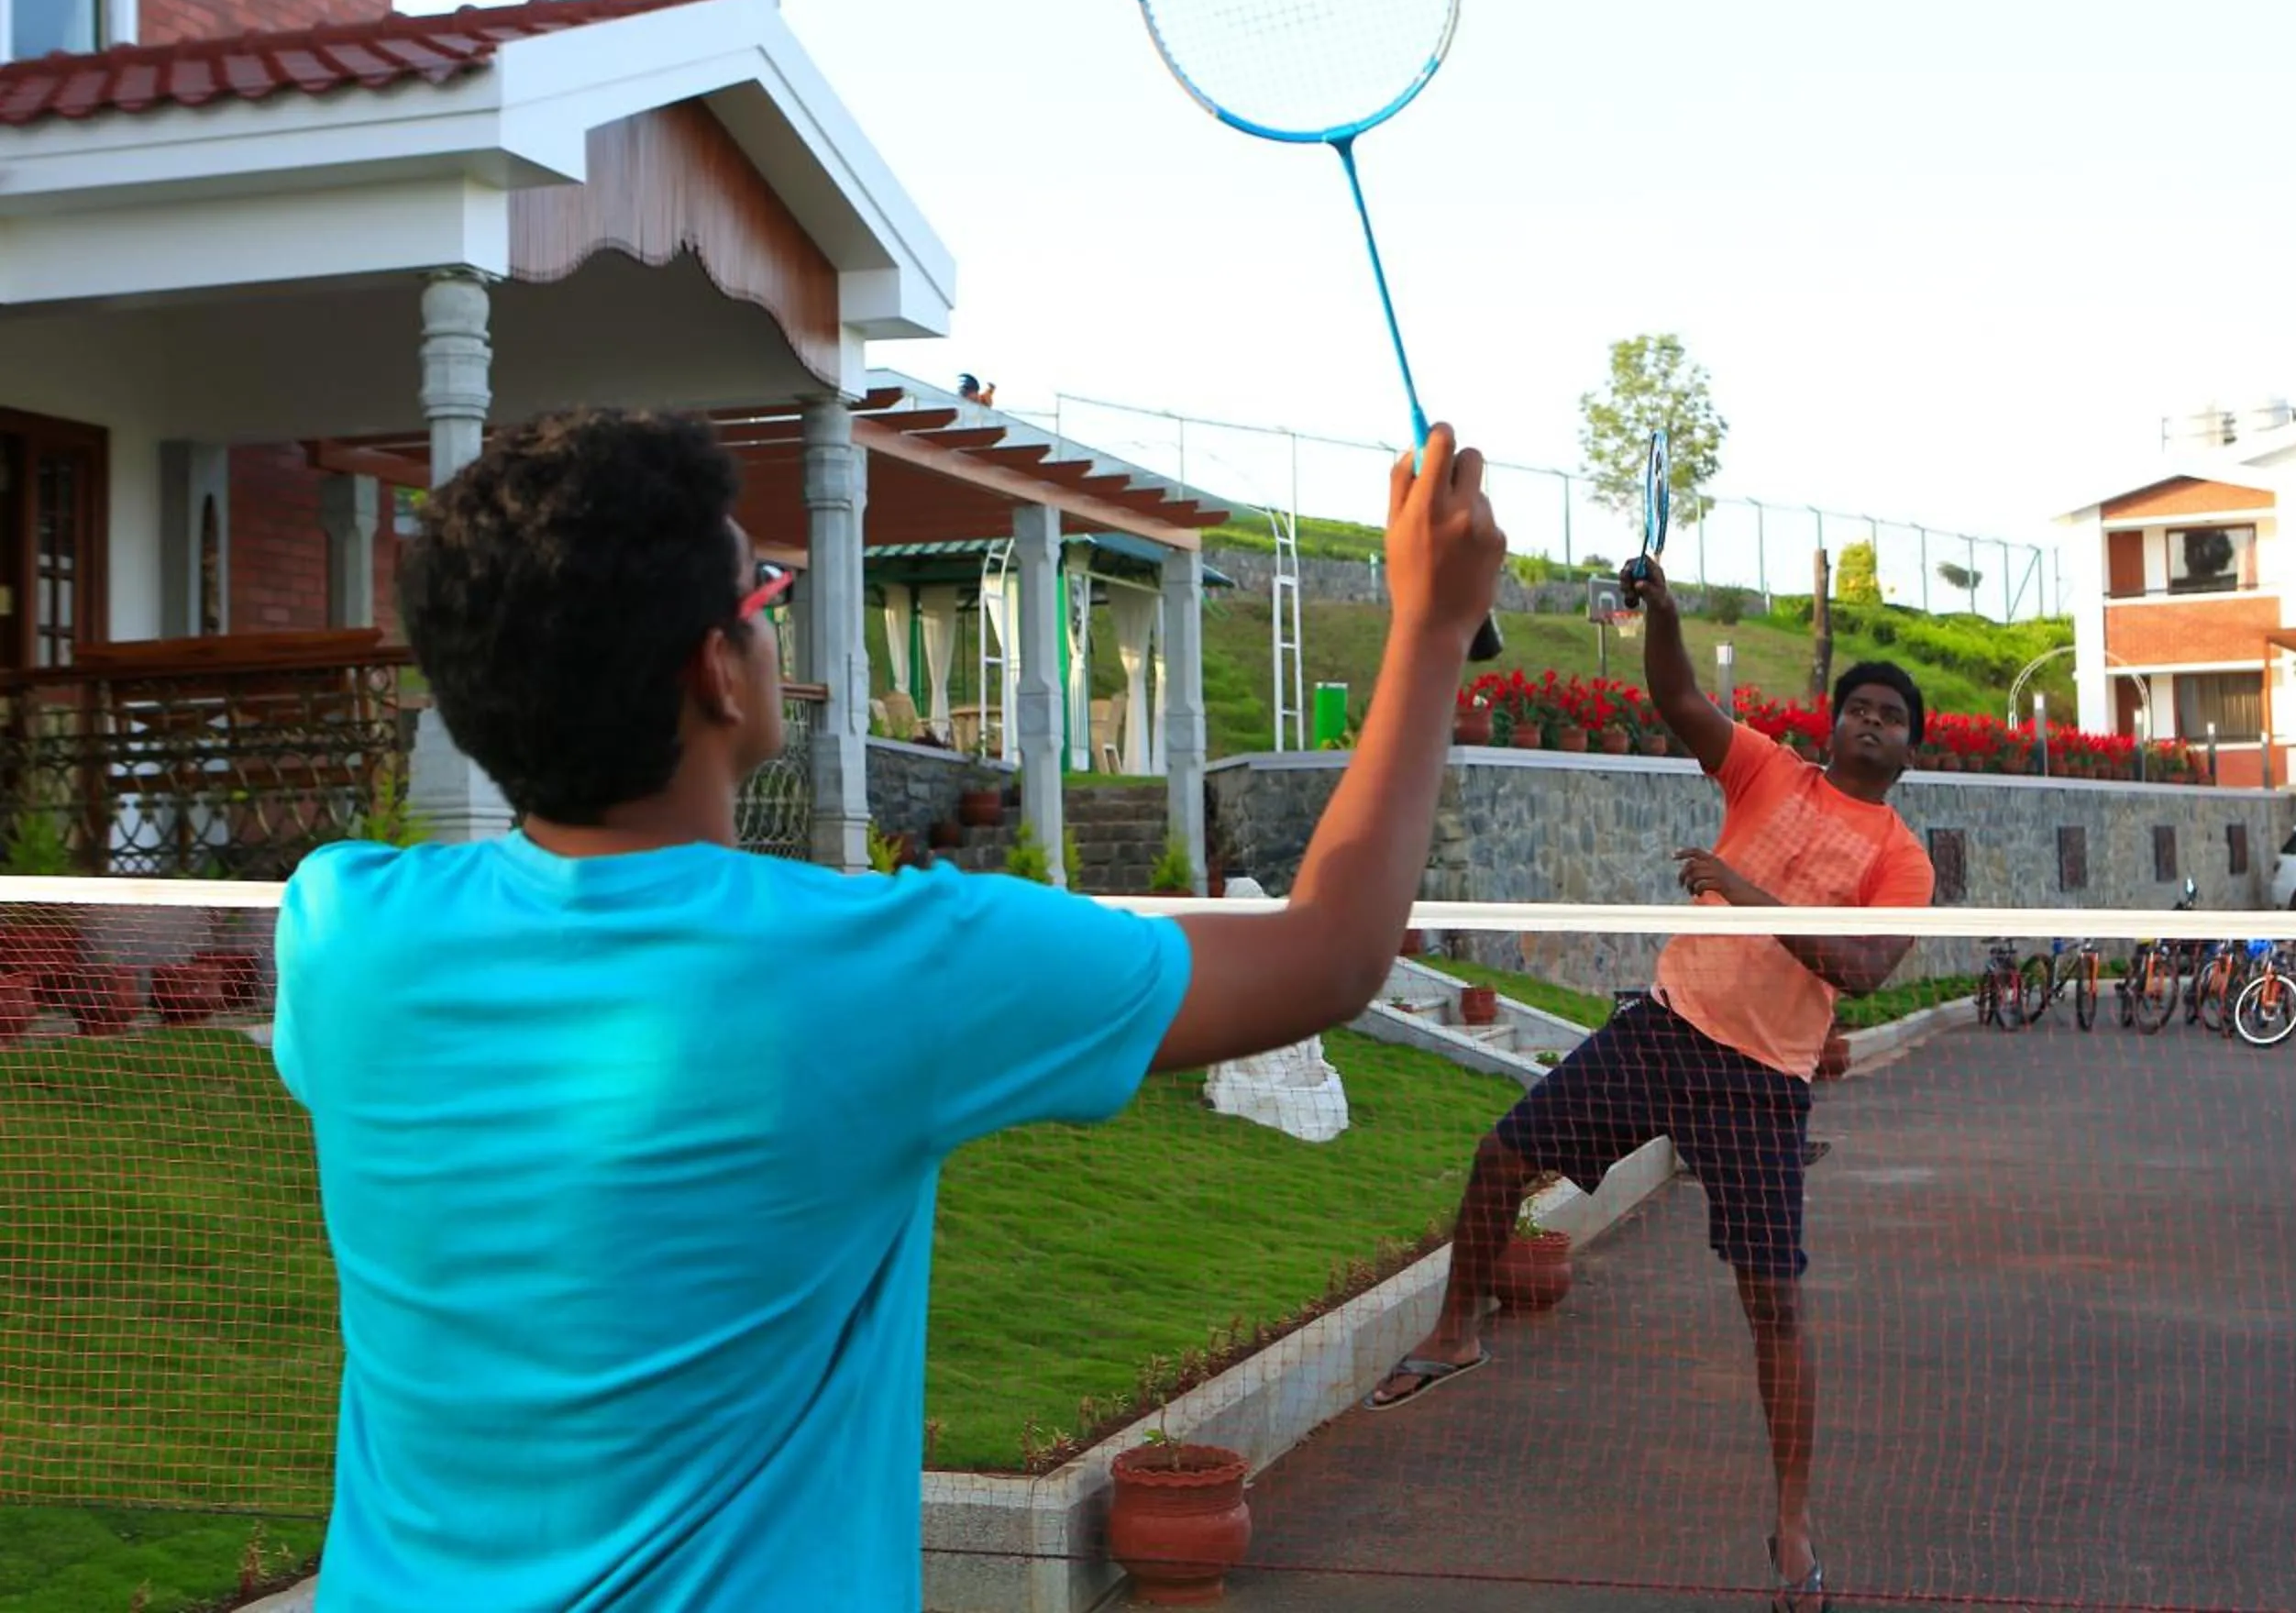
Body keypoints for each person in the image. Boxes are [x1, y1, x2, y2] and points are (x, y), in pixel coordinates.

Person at [271, 408, 1504, 1610]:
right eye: (765, 598)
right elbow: (1333, 956)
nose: (775, 629)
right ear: (715, 670)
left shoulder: (345, 934)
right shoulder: (882, 965)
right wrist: (1432, 630)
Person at [1364, 553, 1932, 1613]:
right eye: (1855, 707)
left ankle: (1794, 1519)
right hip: (1665, 1033)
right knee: (1500, 1157)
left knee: (1775, 1307)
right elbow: (1674, 696)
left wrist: (1740, 886)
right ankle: (1456, 1328)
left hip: (1761, 1086)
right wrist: (1662, 613)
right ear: (1831, 723)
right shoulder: (1768, 770)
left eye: (1888, 716)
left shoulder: (1900, 856)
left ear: (1911, 746)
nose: (1867, 722)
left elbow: (1857, 969)